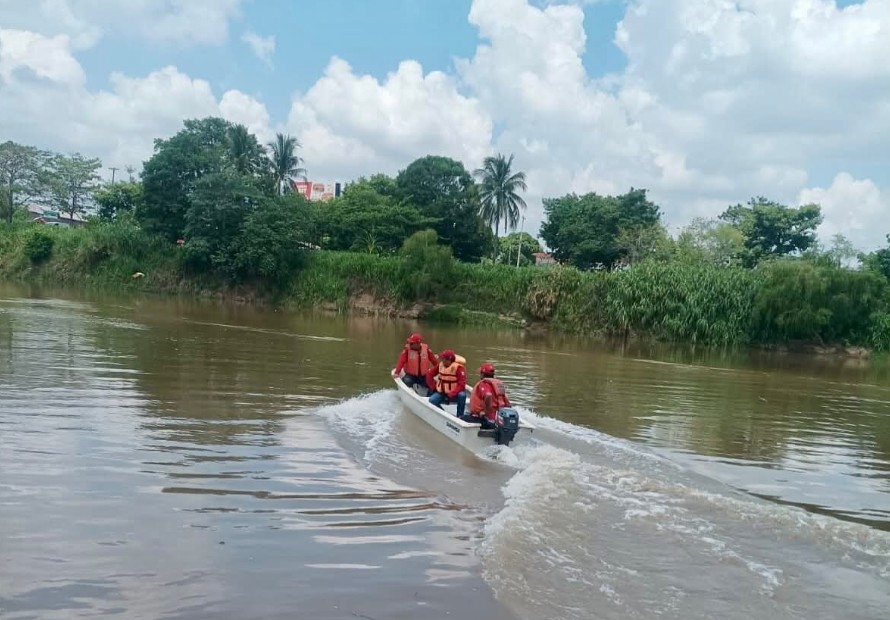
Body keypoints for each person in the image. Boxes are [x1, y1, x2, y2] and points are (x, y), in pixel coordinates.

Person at [463, 363, 511, 428]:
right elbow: (507, 402)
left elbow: (488, 395)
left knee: (463, 418)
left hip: (486, 418)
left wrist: (485, 412)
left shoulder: (483, 384)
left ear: (482, 374)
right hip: (498, 416)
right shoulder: (499, 384)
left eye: (480, 373)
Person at [428, 349, 467, 417]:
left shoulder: (459, 368)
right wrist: (433, 387)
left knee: (462, 395)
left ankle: (460, 415)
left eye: (443, 358)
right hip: (442, 392)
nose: (441, 360)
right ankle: (445, 415)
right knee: (432, 400)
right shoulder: (440, 365)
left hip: (454, 394)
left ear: (448, 360)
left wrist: (451, 394)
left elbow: (462, 385)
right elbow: (429, 374)